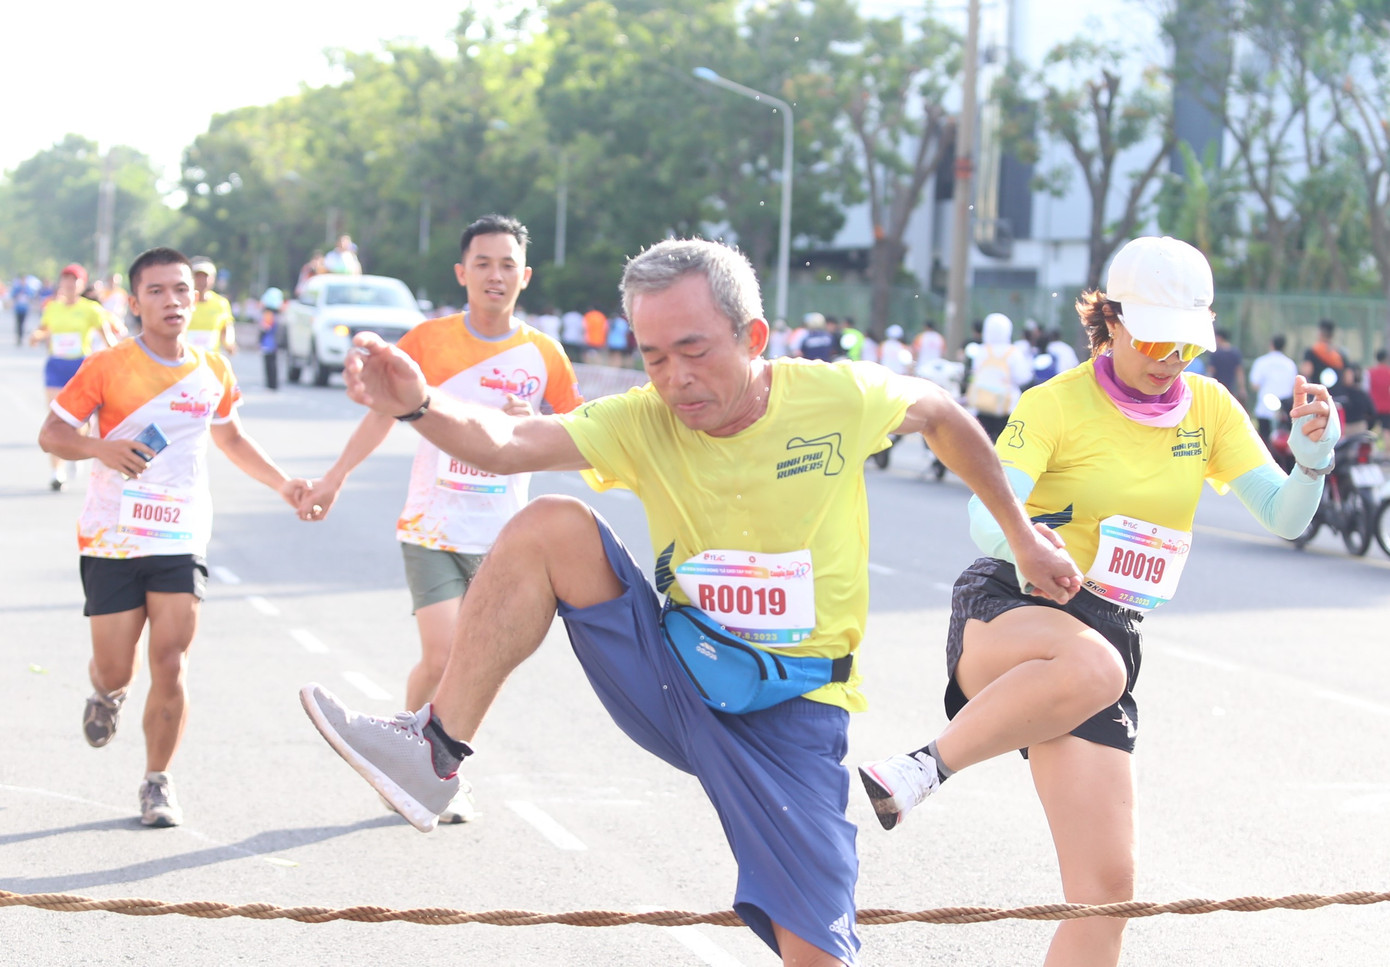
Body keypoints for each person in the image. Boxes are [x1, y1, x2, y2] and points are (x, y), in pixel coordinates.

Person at [297, 237, 1081, 966]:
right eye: (654, 357)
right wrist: (419, 407)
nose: (674, 378)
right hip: (676, 672)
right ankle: (437, 747)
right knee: (548, 523)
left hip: (795, 708)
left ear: (754, 336)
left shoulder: (837, 397)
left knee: (817, 954)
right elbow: (507, 444)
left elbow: (943, 413)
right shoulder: (642, 420)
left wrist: (1021, 537)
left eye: (695, 351)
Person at [857, 236, 1337, 967]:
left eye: (1188, 348)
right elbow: (989, 515)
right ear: (1108, 319)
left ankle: (929, 766)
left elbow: (1286, 515)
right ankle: (924, 768)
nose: (1170, 360)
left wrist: (1313, 457)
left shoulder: (1208, 408)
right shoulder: (1055, 403)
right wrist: (1030, 542)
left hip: (1106, 642)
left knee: (1107, 894)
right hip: (1013, 608)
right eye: (1154, 340)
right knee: (1098, 664)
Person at [298, 214, 584, 824]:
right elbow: (382, 413)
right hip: (431, 525)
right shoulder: (427, 343)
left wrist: (530, 418)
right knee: (446, 653)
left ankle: (419, 758)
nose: (495, 275)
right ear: (462, 273)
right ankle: (414, 758)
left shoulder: (544, 356)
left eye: (508, 264)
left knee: (458, 662)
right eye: (483, 263)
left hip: (503, 536)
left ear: (525, 275)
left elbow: (581, 430)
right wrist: (335, 476)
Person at [37, 247, 309, 828]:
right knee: (116, 669)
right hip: (112, 537)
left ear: (196, 298)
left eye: (181, 290)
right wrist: (99, 448)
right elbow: (52, 433)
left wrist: (283, 484)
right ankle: (107, 695)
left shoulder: (214, 370)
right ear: (134, 303)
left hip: (180, 535)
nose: (172, 301)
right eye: (156, 291)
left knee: (171, 659)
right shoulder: (108, 366)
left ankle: (156, 783)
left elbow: (231, 438)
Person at [30, 263, 123, 490]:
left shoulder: (92, 309)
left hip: (80, 367)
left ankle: (75, 449)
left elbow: (108, 337)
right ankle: (57, 471)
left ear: (82, 285)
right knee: (56, 418)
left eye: (74, 282)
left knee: (79, 421)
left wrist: (121, 359)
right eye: (66, 281)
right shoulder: (52, 307)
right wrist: (37, 335)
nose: (70, 285)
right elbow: (45, 329)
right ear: (61, 284)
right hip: (56, 366)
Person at [964, 312, 1033, 442]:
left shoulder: (982, 351)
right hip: (1005, 407)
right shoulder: (1013, 352)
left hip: (982, 404)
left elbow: (975, 372)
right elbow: (1023, 377)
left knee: (983, 442)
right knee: (1004, 443)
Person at [1248, 334, 1299, 446]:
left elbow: (1254, 385)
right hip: (1284, 410)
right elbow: (1293, 386)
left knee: (1264, 443)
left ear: (1271, 344)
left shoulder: (1261, 362)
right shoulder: (1290, 364)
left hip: (1264, 409)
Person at [186, 258, 237, 355]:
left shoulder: (221, 303)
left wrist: (229, 343)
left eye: (205, 277)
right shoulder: (184, 301)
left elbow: (226, 328)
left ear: (213, 279)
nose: (202, 281)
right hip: (187, 359)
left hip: (211, 359)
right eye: (198, 276)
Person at [1302, 318, 1348, 385]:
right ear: (1333, 334)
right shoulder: (1340, 353)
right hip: (1338, 393)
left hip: (1318, 392)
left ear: (1319, 332)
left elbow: (1306, 372)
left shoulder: (1311, 351)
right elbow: (1348, 378)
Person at [1208, 328, 1246, 403]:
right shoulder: (1235, 353)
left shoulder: (1216, 354)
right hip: (1231, 389)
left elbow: (1211, 371)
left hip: (1216, 389)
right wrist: (1242, 388)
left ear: (1219, 338)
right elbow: (1239, 372)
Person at [259, 287, 284, 390]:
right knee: (274, 364)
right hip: (275, 343)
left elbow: (265, 328)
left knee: (269, 364)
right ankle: (273, 384)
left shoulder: (268, 314)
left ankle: (271, 384)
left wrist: (260, 339)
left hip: (269, 343)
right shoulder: (279, 314)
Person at [1368, 348, 1390, 450]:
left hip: (1373, 406)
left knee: (1372, 430)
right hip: (1387, 407)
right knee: (1387, 431)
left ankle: (1372, 451)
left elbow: (1366, 388)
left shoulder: (1370, 372)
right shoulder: (1388, 372)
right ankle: (1387, 454)